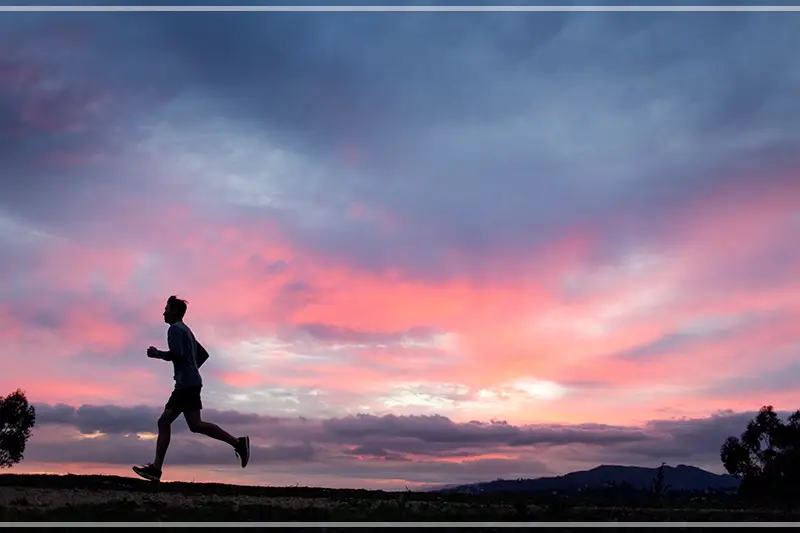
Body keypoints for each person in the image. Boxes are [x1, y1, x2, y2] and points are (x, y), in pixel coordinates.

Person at [132, 295, 250, 482]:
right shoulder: (186, 331)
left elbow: (177, 354)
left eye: (167, 309)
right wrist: (191, 369)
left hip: (186, 385)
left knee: (165, 422)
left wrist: (156, 354)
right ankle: (237, 443)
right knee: (193, 425)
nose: (164, 313)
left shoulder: (174, 329)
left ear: (175, 311)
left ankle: (156, 469)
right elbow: (202, 354)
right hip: (190, 382)